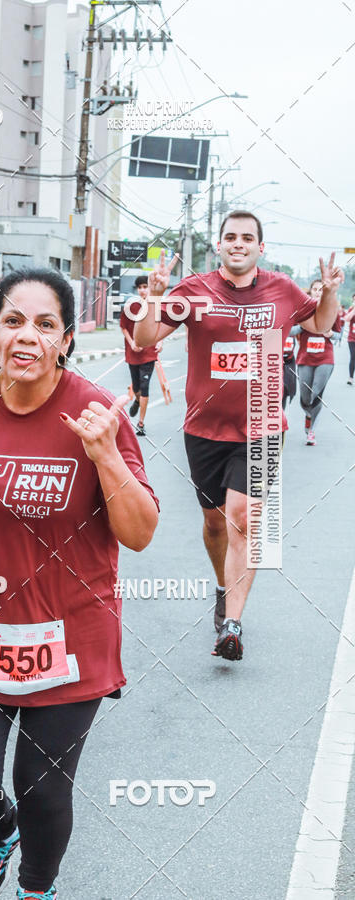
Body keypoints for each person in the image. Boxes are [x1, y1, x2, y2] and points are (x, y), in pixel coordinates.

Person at [0, 267, 159, 900]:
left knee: (44, 787)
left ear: (68, 338)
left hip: (72, 633)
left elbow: (139, 533)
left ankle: (36, 889)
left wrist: (105, 456)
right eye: (13, 321)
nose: (28, 336)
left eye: (45, 324)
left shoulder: (97, 415)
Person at [134, 210, 342, 661]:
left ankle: (232, 623)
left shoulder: (282, 289)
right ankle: (223, 586)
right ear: (220, 246)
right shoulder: (194, 291)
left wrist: (332, 292)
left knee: (245, 517)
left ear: (260, 248)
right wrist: (154, 297)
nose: (239, 243)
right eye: (231, 237)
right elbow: (143, 340)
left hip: (264, 425)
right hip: (204, 429)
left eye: (248, 237)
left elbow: (321, 326)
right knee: (214, 523)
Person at [295, 279, 343, 445]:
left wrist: (330, 334)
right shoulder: (303, 310)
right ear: (310, 292)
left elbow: (339, 335)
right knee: (305, 396)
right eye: (315, 289)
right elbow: (290, 330)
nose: (318, 292)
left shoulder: (332, 311)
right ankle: (308, 415)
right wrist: (306, 325)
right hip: (305, 358)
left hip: (325, 358)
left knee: (316, 394)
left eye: (321, 290)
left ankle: (312, 431)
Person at [119, 275, 161, 436]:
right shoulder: (131, 307)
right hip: (133, 353)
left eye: (146, 287)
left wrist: (160, 342)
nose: (143, 290)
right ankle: (136, 400)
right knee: (136, 387)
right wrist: (131, 343)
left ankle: (141, 423)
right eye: (140, 287)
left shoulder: (155, 307)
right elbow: (123, 327)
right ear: (137, 290)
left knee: (144, 387)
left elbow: (162, 327)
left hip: (149, 354)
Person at [345, 295, 355, 384]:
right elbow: (347, 319)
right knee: (353, 357)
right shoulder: (351, 310)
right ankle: (350, 377)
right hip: (352, 338)